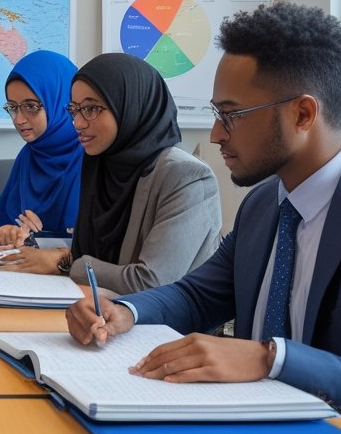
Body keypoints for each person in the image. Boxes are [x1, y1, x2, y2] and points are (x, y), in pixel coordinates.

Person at [67, 3, 341, 434]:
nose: (215, 134)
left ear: (302, 114)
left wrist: (271, 358)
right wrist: (125, 311)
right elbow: (198, 295)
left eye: (231, 115)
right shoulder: (263, 203)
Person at [35, 52, 221, 289]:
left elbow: (149, 282)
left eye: (91, 108)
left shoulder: (185, 177)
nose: (77, 123)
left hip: (166, 325)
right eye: (75, 109)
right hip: (97, 312)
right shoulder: (100, 164)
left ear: (129, 105)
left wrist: (74, 265)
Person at [0, 50, 82, 252]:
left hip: (76, 279)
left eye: (31, 106)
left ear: (61, 102)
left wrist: (37, 237)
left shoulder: (89, 157)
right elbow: (0, 215)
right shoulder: (29, 154)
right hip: (22, 273)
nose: (19, 119)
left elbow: (93, 244)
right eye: (13, 107)